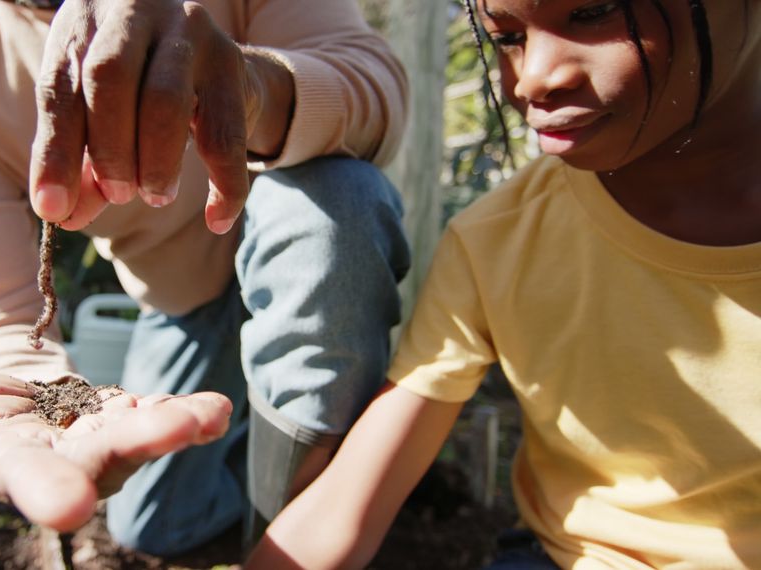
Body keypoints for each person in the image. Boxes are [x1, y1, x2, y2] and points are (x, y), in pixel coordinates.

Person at [0, 0, 412, 557]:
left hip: (305, 248)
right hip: (183, 297)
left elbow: (377, 92)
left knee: (338, 204)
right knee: (152, 527)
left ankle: (313, 518)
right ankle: (279, 434)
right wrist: (22, 384)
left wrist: (247, 87)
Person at [246, 0, 761, 568]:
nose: (535, 76)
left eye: (594, 13)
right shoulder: (496, 241)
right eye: (507, 38)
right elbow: (346, 506)